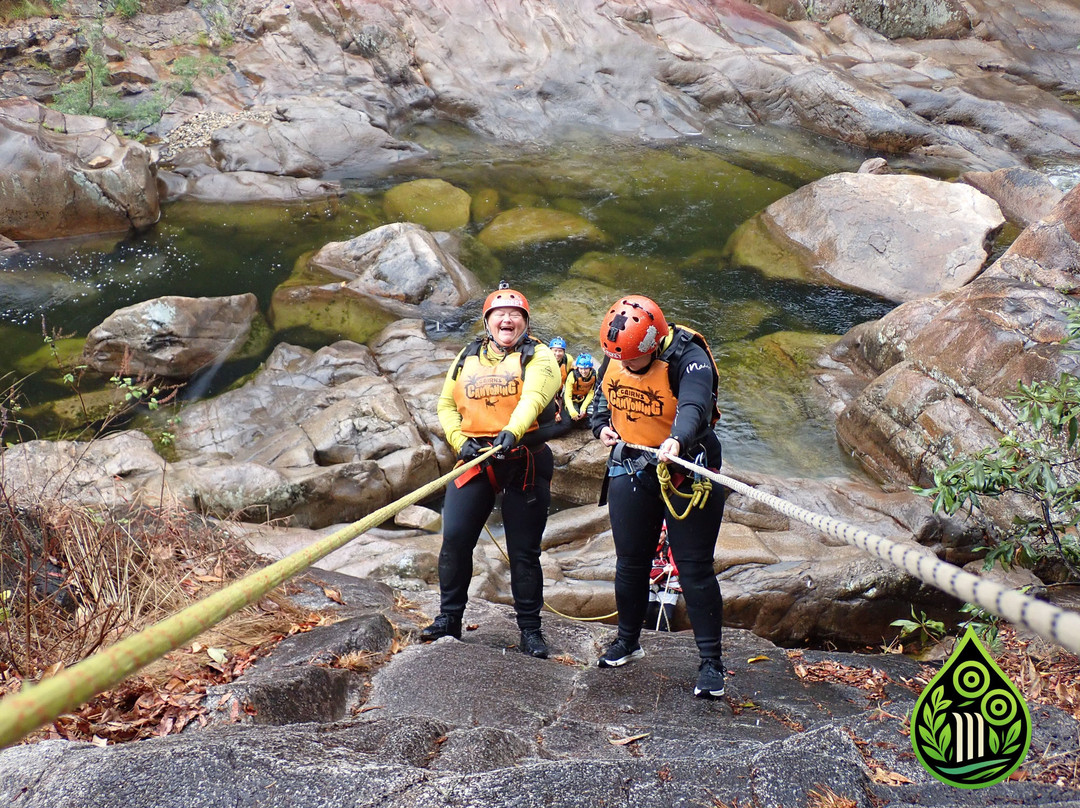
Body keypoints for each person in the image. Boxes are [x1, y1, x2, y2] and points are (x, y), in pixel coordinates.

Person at [590, 294, 727, 699]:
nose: (625, 366)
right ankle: (628, 641)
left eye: (632, 361)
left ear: (650, 346)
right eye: (620, 360)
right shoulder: (618, 351)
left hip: (686, 471)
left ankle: (711, 663)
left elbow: (696, 406)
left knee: (694, 568)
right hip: (632, 464)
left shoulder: (689, 357)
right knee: (630, 561)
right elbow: (602, 397)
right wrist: (600, 427)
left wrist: (678, 439)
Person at [421, 282, 562, 658]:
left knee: (523, 552)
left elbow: (534, 397)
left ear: (525, 323)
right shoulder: (467, 356)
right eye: (499, 314)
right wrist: (456, 439)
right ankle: (449, 619)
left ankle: (531, 631)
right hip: (475, 459)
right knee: (454, 539)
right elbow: (445, 405)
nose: (507, 319)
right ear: (487, 322)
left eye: (515, 315)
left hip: (523, 461)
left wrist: (512, 432)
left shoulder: (541, 356)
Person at [562, 352, 596, 427]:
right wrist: (572, 411)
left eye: (586, 369)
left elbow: (591, 392)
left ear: (590, 368)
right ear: (578, 368)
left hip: (584, 397)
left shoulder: (594, 375)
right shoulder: (572, 376)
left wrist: (584, 407)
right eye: (581, 369)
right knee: (574, 415)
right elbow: (567, 396)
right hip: (573, 398)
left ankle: (586, 419)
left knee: (592, 412)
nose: (583, 371)